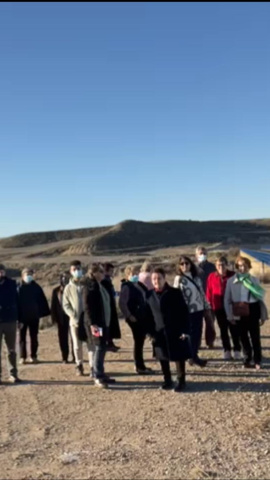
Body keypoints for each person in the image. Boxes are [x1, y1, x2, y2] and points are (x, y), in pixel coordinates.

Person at [146, 268, 191, 392]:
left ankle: (181, 381)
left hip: (175, 329)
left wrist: (185, 330)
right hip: (158, 331)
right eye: (154, 279)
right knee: (162, 356)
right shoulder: (149, 295)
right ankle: (168, 380)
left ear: (164, 278)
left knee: (178, 356)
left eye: (159, 278)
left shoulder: (175, 293)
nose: (156, 281)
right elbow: (147, 316)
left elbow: (184, 312)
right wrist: (150, 333)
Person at [224, 256, 268, 370]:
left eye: (244, 265)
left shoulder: (254, 280)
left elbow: (260, 298)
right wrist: (230, 315)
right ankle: (247, 358)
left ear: (248, 266)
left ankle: (258, 359)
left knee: (255, 337)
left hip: (253, 309)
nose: (242, 268)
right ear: (237, 267)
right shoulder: (231, 281)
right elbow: (227, 300)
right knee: (243, 337)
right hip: (239, 309)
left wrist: (263, 315)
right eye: (239, 266)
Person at [174, 256, 212, 367]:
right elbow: (177, 296)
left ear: (191, 265)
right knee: (189, 335)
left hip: (199, 310)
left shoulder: (196, 278)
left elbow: (202, 293)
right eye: (182, 264)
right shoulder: (179, 279)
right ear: (179, 266)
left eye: (187, 263)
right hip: (188, 311)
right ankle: (190, 356)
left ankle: (194, 355)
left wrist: (206, 307)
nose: (185, 265)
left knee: (197, 334)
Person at [84, 263, 116, 388]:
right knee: (98, 347)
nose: (104, 274)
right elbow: (87, 307)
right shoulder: (90, 287)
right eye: (101, 272)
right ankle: (97, 375)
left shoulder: (100, 285)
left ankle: (101, 373)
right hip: (96, 324)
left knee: (102, 346)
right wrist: (92, 323)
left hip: (104, 322)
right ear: (94, 273)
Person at [119, 265, 153, 375]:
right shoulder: (127, 287)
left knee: (141, 341)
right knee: (138, 341)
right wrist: (129, 316)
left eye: (136, 273)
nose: (135, 276)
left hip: (142, 316)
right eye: (132, 274)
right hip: (134, 318)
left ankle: (141, 365)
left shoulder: (139, 285)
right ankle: (139, 366)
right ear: (127, 275)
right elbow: (122, 303)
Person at [206, 256, 242, 361]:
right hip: (218, 307)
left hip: (232, 306)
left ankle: (237, 350)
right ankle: (226, 350)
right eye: (218, 265)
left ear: (227, 265)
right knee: (223, 330)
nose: (221, 267)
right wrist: (210, 305)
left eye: (223, 264)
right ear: (216, 266)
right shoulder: (212, 276)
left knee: (234, 329)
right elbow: (209, 292)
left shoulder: (233, 276)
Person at [63, 260, 94, 376]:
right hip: (75, 321)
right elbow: (65, 304)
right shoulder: (68, 288)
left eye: (78, 269)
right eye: (74, 269)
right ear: (71, 272)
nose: (77, 271)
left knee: (91, 344)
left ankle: (92, 366)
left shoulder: (88, 284)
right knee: (77, 345)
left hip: (88, 320)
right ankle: (79, 365)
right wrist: (72, 314)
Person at [18, 268, 50, 364]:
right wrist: (17, 317)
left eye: (30, 274)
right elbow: (15, 303)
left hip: (34, 317)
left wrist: (42, 313)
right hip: (22, 317)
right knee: (22, 338)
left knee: (34, 337)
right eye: (27, 274)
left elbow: (42, 301)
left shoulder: (36, 287)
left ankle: (33, 356)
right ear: (22, 276)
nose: (29, 276)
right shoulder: (18, 288)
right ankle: (22, 357)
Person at [0, 264, 21, 384]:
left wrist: (20, 319)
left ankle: (13, 374)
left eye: (1, 272)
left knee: (11, 349)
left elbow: (18, 302)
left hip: (10, 320)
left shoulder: (12, 285)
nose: (0, 274)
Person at [51, 273, 75, 364]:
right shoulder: (56, 291)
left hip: (72, 316)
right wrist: (54, 318)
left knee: (74, 338)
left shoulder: (73, 289)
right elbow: (53, 306)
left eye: (67, 278)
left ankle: (75, 356)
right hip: (61, 318)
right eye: (63, 278)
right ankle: (64, 357)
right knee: (62, 338)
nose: (65, 280)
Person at [195, 246, 216, 348]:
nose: (202, 255)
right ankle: (197, 343)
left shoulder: (212, 267)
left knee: (210, 321)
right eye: (200, 253)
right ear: (196, 255)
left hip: (210, 298)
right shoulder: (193, 268)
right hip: (197, 299)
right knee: (197, 323)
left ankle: (210, 341)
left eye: (204, 253)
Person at [102, 262, 121, 353]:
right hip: (107, 305)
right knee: (108, 325)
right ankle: (108, 343)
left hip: (111, 304)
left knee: (111, 325)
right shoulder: (104, 281)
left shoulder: (108, 280)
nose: (112, 273)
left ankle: (110, 342)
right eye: (111, 271)